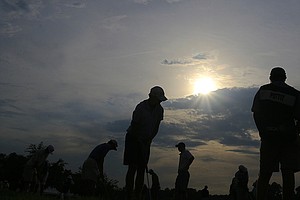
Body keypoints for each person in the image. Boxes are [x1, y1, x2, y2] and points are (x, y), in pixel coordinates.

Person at [251, 67, 300, 200]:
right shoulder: (295, 94)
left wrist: (262, 131)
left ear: (271, 77)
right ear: (285, 77)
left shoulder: (263, 90)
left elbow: (256, 113)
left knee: (265, 174)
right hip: (289, 139)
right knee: (288, 173)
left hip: (269, 138)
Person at [123, 86, 167, 200]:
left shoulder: (160, 110)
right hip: (133, 137)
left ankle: (138, 195)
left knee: (142, 168)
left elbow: (156, 127)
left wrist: (148, 140)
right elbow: (135, 126)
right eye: (158, 99)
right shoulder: (141, 107)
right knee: (133, 166)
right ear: (151, 96)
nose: (159, 102)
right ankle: (129, 194)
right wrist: (139, 140)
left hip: (146, 140)